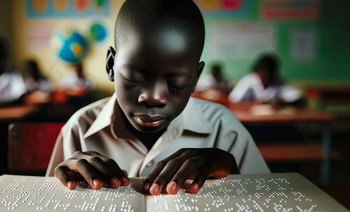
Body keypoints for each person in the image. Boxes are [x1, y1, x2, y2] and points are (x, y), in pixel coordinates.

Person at [47, 0, 270, 195]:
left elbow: (269, 209)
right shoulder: (79, 129)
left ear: (195, 79)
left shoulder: (224, 129)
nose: (154, 97)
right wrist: (64, 184)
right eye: (134, 77)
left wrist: (234, 172)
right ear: (111, 66)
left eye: (176, 83)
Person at [228, 54, 305, 106]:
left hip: (273, 122)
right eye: (263, 76)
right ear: (257, 73)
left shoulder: (278, 81)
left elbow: (300, 100)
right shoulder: (249, 79)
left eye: (270, 76)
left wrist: (281, 103)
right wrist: (253, 104)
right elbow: (232, 102)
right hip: (251, 123)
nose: (266, 80)